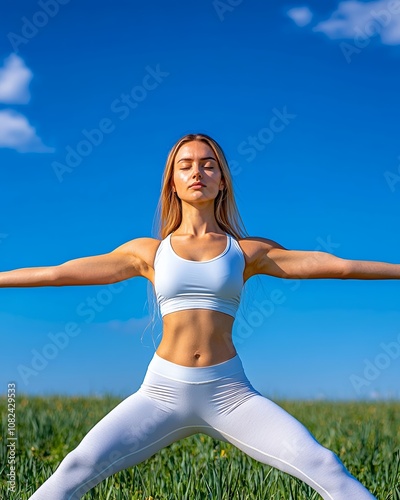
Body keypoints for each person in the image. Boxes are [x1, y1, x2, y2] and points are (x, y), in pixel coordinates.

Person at [2, 133, 397, 500]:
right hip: (161, 392)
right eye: (185, 165)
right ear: (172, 182)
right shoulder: (148, 252)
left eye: (209, 165)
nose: (197, 172)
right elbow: (58, 273)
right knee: (77, 465)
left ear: (222, 180)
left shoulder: (247, 251)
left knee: (324, 464)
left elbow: (339, 266)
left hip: (229, 393)